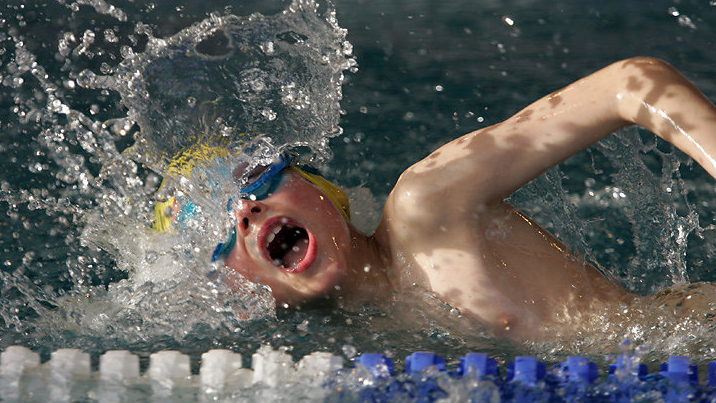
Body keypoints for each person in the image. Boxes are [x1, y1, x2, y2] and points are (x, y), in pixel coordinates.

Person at [158, 57, 716, 340]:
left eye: (256, 182)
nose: (246, 211)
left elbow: (632, 82)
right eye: (220, 234)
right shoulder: (353, 346)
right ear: (230, 290)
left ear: (320, 190)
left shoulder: (427, 209)